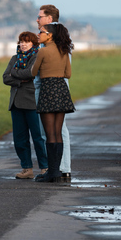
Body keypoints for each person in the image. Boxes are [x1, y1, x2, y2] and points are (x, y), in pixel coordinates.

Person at [31, 23, 75, 182]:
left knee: (49, 134)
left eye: (41, 32)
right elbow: (68, 74)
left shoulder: (42, 51)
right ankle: (57, 171)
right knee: (58, 133)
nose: (38, 34)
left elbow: (33, 72)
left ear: (49, 35)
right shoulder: (64, 51)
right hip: (61, 90)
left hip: (48, 90)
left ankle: (53, 172)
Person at [2, 31, 48, 179]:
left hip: (32, 102)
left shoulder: (37, 56)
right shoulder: (15, 58)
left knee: (38, 138)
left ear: (33, 43)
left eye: (26, 42)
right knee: (20, 139)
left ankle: (44, 167)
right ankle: (27, 169)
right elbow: (5, 78)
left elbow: (30, 73)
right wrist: (20, 79)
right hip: (16, 103)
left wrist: (15, 73)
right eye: (21, 42)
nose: (23, 44)